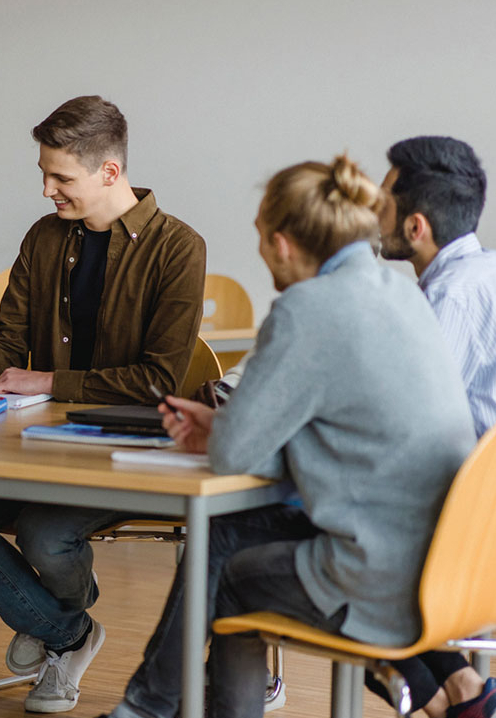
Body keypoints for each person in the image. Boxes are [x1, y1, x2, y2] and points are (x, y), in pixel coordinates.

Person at [101, 155, 475, 718]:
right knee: (221, 537)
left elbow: (233, 455)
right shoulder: (397, 291)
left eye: (256, 237)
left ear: (280, 243)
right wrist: (228, 428)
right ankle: (143, 710)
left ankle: (145, 709)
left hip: (382, 576)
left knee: (220, 573)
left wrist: (223, 430)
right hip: (451, 562)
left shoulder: (307, 308)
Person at [0, 95, 206, 713]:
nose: (47, 189)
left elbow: (157, 379)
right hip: (36, 448)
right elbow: (8, 341)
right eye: (44, 174)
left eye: (61, 177)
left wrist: (49, 381)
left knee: (46, 534)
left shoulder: (179, 248)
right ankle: (67, 630)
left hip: (123, 453)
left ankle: (54, 627)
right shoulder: (46, 238)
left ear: (109, 172)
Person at [368, 135, 496, 718]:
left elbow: (406, 421)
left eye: (382, 204)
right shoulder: (484, 273)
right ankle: (465, 695)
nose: (373, 215)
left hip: (458, 529)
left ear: (415, 226)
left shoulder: (452, 294)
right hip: (471, 515)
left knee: (286, 532)